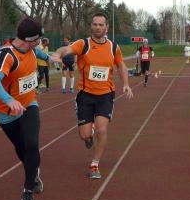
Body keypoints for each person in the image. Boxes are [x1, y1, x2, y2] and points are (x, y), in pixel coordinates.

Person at [50, 11, 134, 179]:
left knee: (102, 130)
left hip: (105, 95)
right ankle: (89, 136)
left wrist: (126, 84)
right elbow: (66, 49)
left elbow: (121, 66)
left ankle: (95, 164)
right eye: (95, 24)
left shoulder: (113, 47)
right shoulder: (83, 44)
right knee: (85, 135)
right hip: (85, 95)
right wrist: (58, 54)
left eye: (101, 25)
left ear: (106, 27)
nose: (97, 27)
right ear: (91, 26)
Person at [0, 17, 45, 200]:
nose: (40, 42)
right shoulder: (6, 54)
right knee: (22, 149)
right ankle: (33, 171)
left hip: (29, 104)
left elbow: (38, 53)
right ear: (31, 39)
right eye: (38, 39)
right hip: (6, 112)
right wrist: (10, 100)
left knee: (32, 144)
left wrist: (49, 58)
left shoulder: (31, 48)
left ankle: (28, 189)